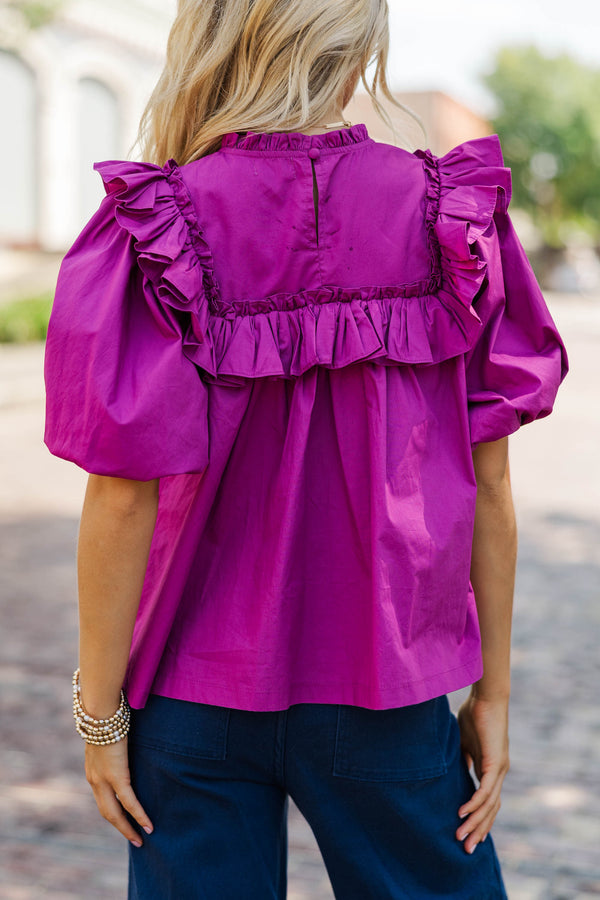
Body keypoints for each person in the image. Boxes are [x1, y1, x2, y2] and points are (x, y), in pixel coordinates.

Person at [43, 0, 568, 897]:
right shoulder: (451, 215)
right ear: (358, 36)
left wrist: (100, 717)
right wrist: (495, 695)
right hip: (388, 687)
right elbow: (490, 486)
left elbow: (122, 494)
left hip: (190, 687)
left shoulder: (159, 221)